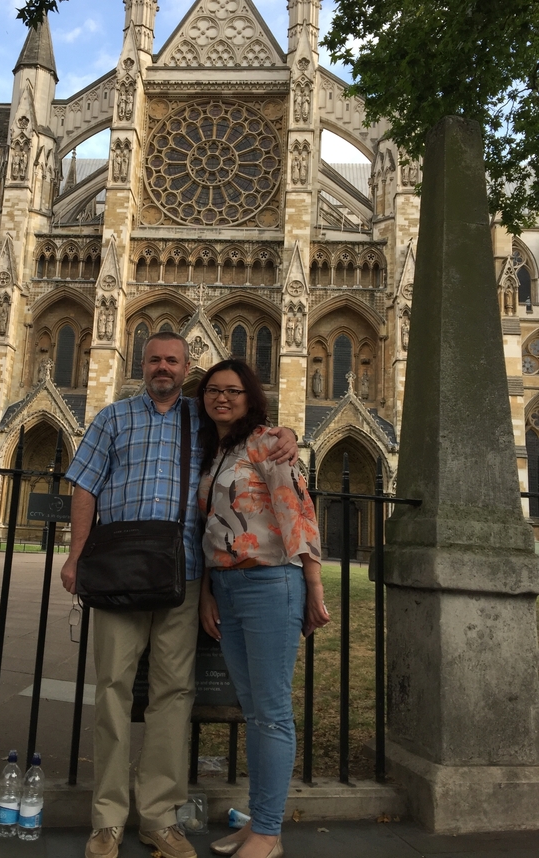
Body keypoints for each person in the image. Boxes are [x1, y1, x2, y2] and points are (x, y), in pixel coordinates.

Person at [60, 333, 298, 858]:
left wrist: (287, 433)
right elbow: (84, 485)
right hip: (119, 572)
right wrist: (76, 555)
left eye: (172, 360)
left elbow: (255, 446)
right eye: (154, 360)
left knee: (173, 696)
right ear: (140, 364)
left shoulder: (204, 420)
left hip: (184, 574)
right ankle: (107, 819)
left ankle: (160, 816)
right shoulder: (112, 418)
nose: (162, 367)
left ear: (186, 367)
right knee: (113, 692)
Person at [197, 359, 330, 858]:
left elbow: (298, 513)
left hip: (272, 582)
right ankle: (259, 821)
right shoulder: (215, 453)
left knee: (271, 713)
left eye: (232, 390)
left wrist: (313, 586)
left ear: (252, 397)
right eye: (213, 390)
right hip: (229, 588)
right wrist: (209, 590)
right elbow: (212, 529)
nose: (222, 397)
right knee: (254, 712)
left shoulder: (268, 443)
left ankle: (269, 834)